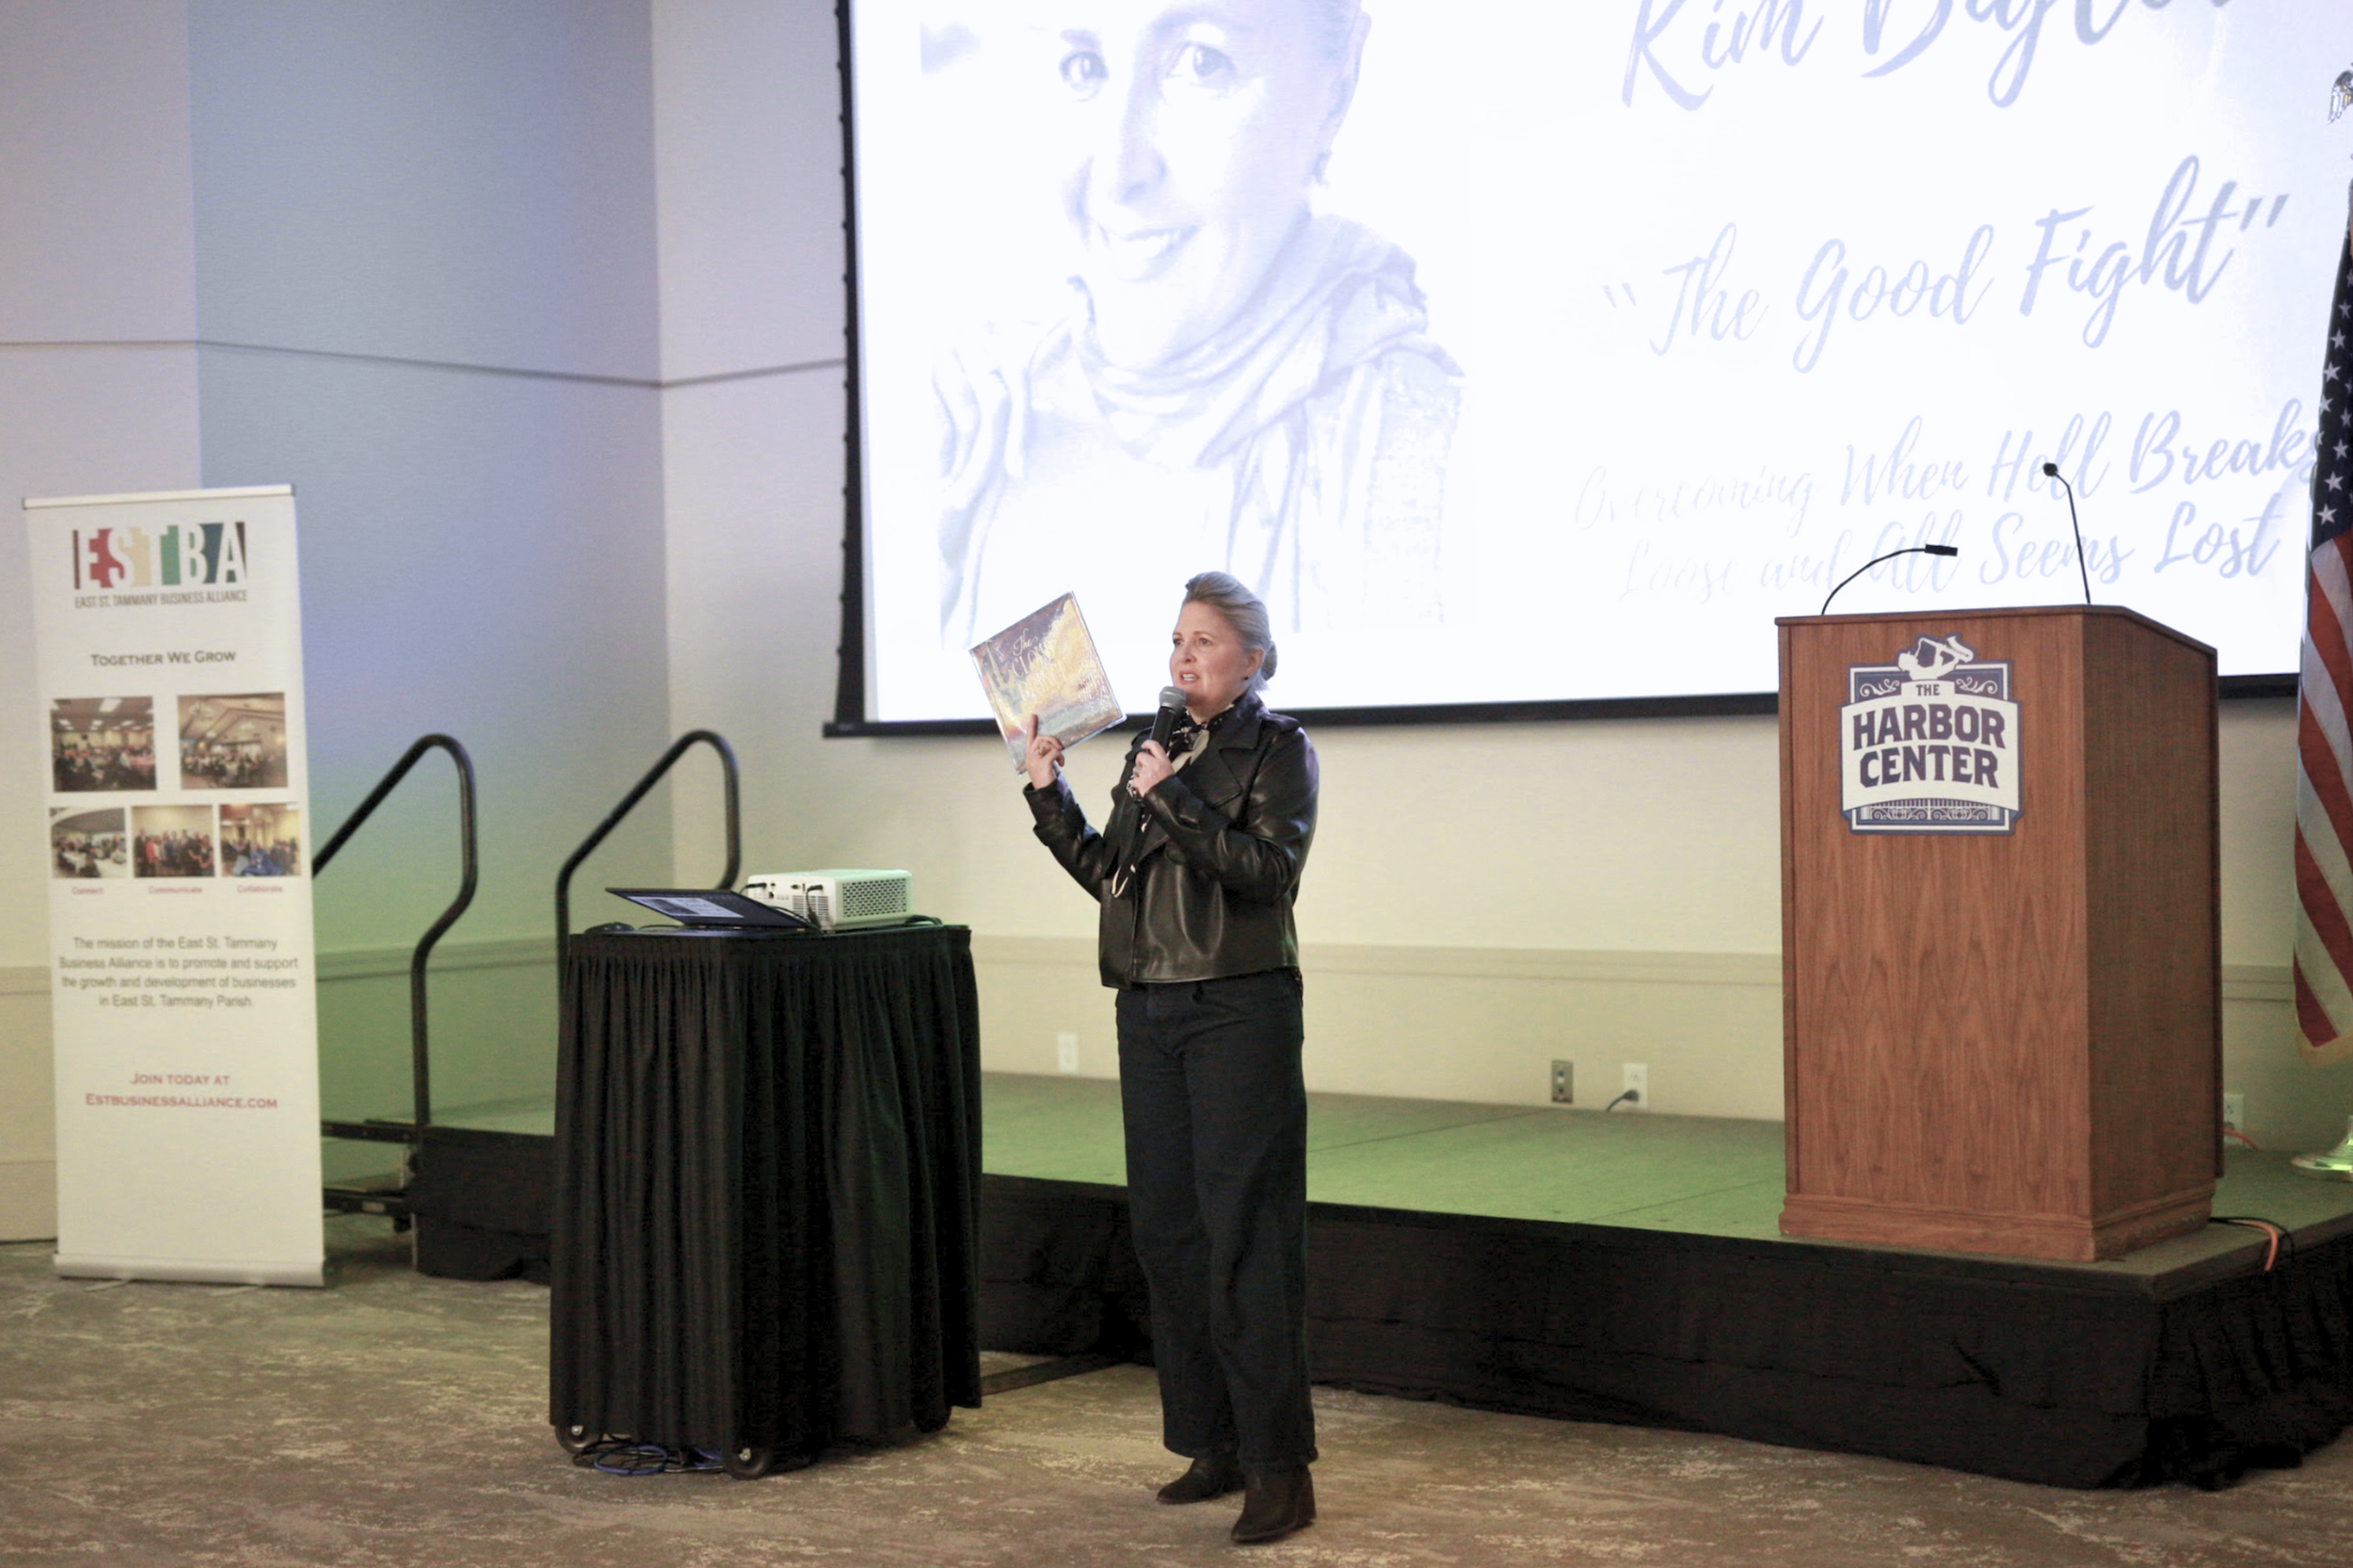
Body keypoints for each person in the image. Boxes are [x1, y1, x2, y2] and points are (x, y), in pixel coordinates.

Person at [937, 0, 1458, 647]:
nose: (1117, 173)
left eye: (1202, 62)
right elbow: (1053, 718)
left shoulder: (1433, 449)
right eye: (1084, 66)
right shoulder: (986, 439)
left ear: (1336, 90)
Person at [1018, 570, 1321, 1544]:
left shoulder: (1278, 749)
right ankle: (1211, 1443)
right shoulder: (1157, 748)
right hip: (1147, 1007)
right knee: (1171, 1235)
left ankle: (1279, 1468)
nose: (1182, 656)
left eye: (1203, 641)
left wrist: (1176, 797)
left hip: (1237, 1006)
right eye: (1177, 639)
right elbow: (1113, 877)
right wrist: (1049, 793)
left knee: (1247, 1239)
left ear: (1252, 660)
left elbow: (1269, 873)